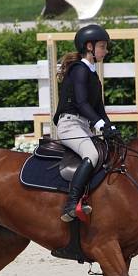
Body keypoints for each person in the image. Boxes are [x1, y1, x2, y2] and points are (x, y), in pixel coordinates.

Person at [52, 24, 121, 222]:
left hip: (83, 125)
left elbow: (99, 109)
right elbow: (81, 103)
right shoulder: (79, 70)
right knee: (91, 154)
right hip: (69, 124)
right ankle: (71, 204)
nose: (106, 51)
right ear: (89, 47)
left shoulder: (93, 75)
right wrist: (100, 125)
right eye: (102, 46)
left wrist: (111, 128)